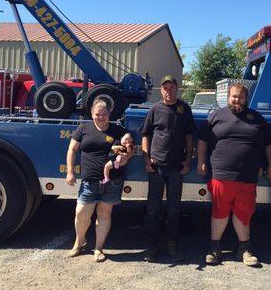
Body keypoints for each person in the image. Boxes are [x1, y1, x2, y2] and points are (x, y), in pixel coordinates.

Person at [197, 83, 271, 266]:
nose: (237, 100)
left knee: (244, 213)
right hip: (221, 175)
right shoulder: (216, 115)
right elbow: (202, 139)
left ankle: (245, 250)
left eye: (240, 97)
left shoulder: (256, 118)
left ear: (246, 99)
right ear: (228, 97)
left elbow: (269, 143)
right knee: (219, 212)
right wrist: (201, 161)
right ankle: (214, 248)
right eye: (234, 96)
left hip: (247, 177)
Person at [66, 98, 134, 262]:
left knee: (104, 215)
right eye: (97, 114)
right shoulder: (83, 128)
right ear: (92, 114)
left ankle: (98, 248)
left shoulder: (118, 130)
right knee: (82, 213)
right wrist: (70, 171)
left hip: (112, 181)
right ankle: (79, 241)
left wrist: (127, 155)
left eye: (104, 114)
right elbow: (72, 149)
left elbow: (130, 149)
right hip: (89, 181)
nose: (101, 117)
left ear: (109, 114)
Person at [141, 75, 196, 262]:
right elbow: (146, 135)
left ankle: (172, 244)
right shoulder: (155, 109)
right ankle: (151, 246)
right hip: (156, 167)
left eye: (172, 88)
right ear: (161, 90)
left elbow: (190, 137)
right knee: (152, 209)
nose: (168, 91)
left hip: (175, 168)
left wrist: (188, 160)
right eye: (165, 88)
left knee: (174, 208)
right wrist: (146, 160)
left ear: (177, 89)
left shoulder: (184, 109)